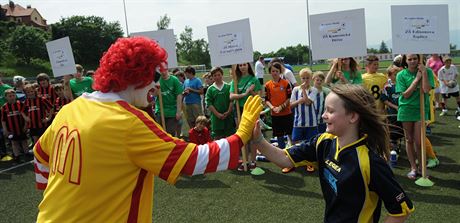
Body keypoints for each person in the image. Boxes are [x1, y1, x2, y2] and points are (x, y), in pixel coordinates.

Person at [33, 36, 263, 222]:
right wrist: (241, 135)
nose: (156, 83)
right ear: (135, 74)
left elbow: (40, 155)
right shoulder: (128, 122)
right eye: (153, 75)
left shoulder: (71, 109)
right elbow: (193, 160)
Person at [251, 84, 414, 223]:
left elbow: (402, 209)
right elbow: (284, 159)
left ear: (352, 116)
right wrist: (258, 139)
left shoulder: (370, 162)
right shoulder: (323, 142)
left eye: (330, 111)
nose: (323, 115)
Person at [396, 54, 435, 179]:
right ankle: (413, 168)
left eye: (415, 58)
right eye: (410, 59)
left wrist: (423, 73)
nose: (413, 61)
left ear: (419, 59)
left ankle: (422, 168)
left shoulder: (427, 71)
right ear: (405, 61)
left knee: (419, 141)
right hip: (406, 109)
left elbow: (426, 90)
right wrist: (416, 79)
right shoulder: (401, 75)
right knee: (409, 140)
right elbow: (406, 95)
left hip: (421, 110)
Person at [229, 62, 262, 171]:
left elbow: (259, 97)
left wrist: (251, 91)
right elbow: (231, 96)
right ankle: (245, 161)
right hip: (239, 110)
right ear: (238, 67)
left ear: (248, 66)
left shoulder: (254, 79)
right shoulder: (235, 79)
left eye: (244, 65)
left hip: (251, 110)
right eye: (240, 65)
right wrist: (244, 94)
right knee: (243, 137)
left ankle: (253, 161)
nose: (242, 67)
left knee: (252, 136)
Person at [286, 68, 317, 173]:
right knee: (295, 142)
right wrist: (300, 100)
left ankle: (309, 163)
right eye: (303, 78)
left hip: (311, 122)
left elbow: (308, 102)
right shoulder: (295, 90)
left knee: (310, 143)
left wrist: (303, 90)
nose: (305, 80)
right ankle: (292, 163)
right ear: (300, 78)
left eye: (307, 78)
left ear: (311, 78)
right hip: (298, 121)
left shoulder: (314, 89)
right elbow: (291, 105)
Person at [265, 62, 293, 150]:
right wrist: (272, 107)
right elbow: (266, 100)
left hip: (286, 114)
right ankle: (281, 152)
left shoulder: (286, 83)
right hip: (275, 115)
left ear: (280, 72)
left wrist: (281, 107)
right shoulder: (267, 85)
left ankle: (292, 151)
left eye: (277, 71)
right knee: (279, 135)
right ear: (270, 72)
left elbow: (289, 98)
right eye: (273, 71)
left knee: (290, 133)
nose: (275, 73)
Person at [205, 67, 235, 139]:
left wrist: (228, 112)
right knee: (218, 139)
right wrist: (217, 114)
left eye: (219, 75)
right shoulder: (210, 89)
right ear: (212, 77)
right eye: (215, 75)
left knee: (230, 138)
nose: (217, 77)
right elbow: (209, 103)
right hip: (216, 119)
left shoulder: (228, 86)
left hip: (228, 117)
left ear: (222, 75)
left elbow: (232, 100)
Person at [1, 89, 29, 162]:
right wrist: (5, 129)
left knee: (24, 141)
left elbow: (26, 115)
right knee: (14, 143)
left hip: (21, 127)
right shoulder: (4, 107)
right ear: (6, 97)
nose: (12, 97)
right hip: (11, 129)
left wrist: (26, 126)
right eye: (10, 96)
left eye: (13, 95)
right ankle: (17, 156)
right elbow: (3, 120)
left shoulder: (21, 104)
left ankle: (27, 153)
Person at [155, 68, 184, 136]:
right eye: (161, 71)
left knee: (170, 133)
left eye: (164, 70)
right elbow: (154, 94)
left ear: (167, 69)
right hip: (160, 111)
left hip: (172, 112)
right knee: (160, 133)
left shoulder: (174, 80)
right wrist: (156, 87)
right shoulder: (157, 80)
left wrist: (178, 111)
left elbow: (179, 95)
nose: (163, 72)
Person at [0, 73, 13, 161]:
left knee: (10, 132)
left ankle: (16, 151)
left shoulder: (7, 87)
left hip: (8, 114)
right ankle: (3, 152)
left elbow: (13, 100)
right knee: (1, 134)